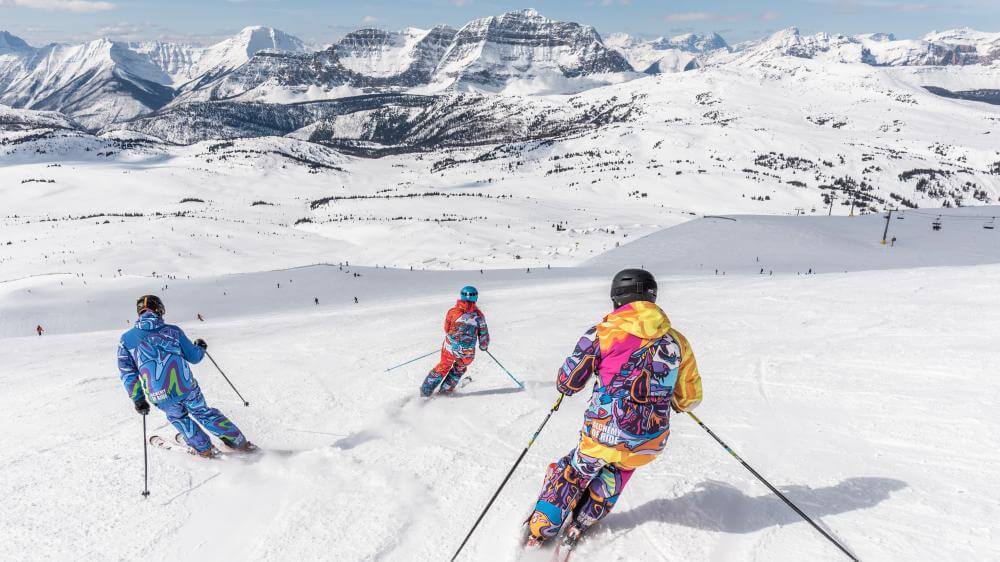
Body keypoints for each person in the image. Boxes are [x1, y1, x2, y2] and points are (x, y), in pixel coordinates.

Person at [524, 269, 702, 549]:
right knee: (618, 472)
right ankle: (582, 521)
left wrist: (567, 386)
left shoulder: (603, 333)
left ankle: (542, 526)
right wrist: (675, 400)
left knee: (576, 470)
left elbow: (568, 382)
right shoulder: (677, 341)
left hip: (602, 433)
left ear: (618, 299)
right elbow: (689, 397)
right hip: (649, 441)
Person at [118, 295, 254, 457]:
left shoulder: (126, 340)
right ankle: (239, 442)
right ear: (159, 310)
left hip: (159, 394)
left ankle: (204, 449)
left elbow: (128, 372)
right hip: (186, 386)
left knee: (179, 418)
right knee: (203, 412)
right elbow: (194, 357)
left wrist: (138, 399)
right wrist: (200, 347)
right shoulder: (173, 331)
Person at [420, 286, 490, 397]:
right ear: (476, 298)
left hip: (449, 347)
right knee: (459, 368)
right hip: (466, 352)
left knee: (444, 365)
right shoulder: (479, 316)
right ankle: (445, 391)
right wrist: (483, 346)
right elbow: (484, 335)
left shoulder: (453, 312)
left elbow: (447, 328)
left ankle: (425, 390)